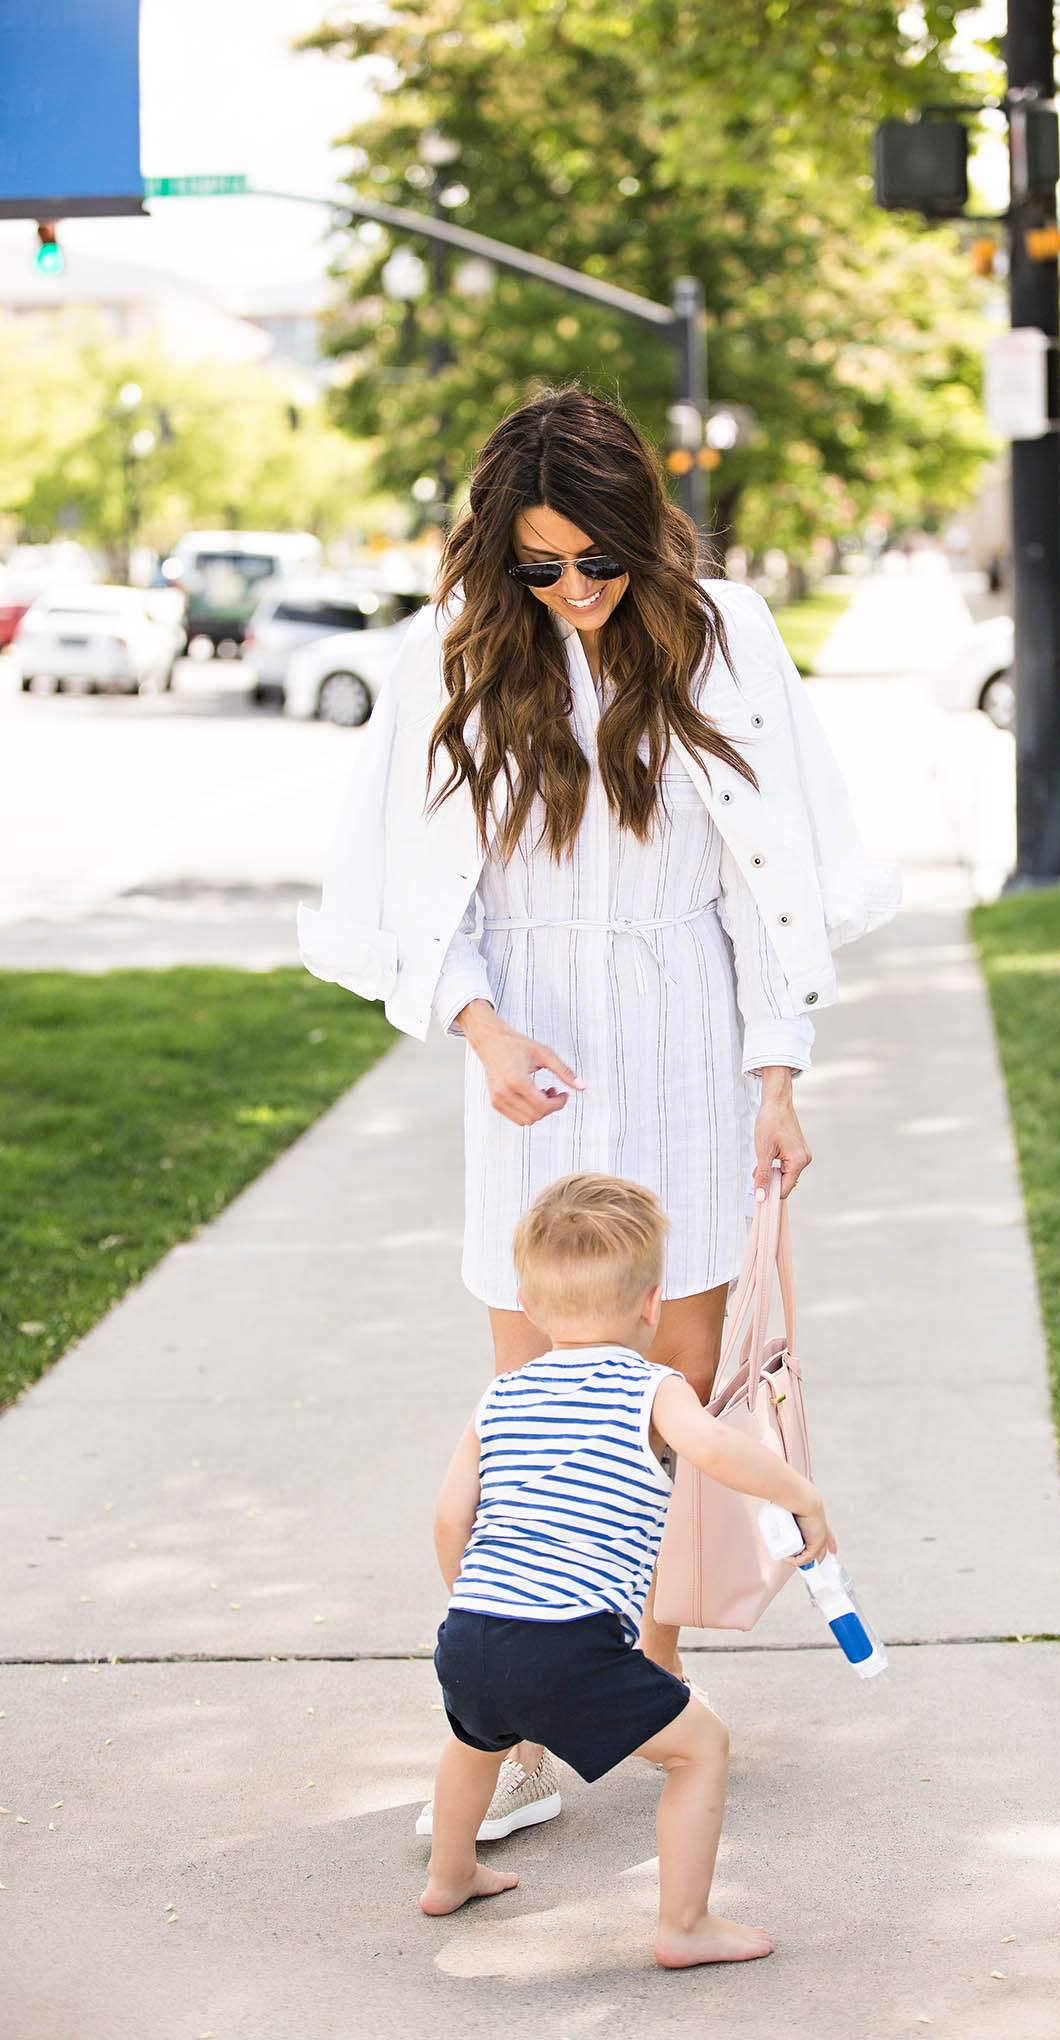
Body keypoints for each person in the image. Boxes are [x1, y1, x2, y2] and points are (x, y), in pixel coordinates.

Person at [298, 385, 896, 1835]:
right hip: (533, 1058)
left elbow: (769, 877)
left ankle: (642, 1689)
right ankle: (504, 1729)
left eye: (596, 561)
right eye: (539, 566)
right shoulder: (443, 653)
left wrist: (776, 1075)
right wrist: (480, 1027)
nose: (570, 591)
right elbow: (409, 884)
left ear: (645, 537)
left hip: (689, 1030)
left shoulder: (724, 632)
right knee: (536, 1407)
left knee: (670, 1396)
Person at [421, 1172, 832, 1968]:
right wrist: (803, 1494)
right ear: (653, 1306)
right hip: (571, 1643)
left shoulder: (500, 1396)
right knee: (699, 1747)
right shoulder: (652, 1387)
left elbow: (449, 1517)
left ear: (529, 1307)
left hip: (472, 1629)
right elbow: (713, 1450)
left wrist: (473, 1602)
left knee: (473, 1741)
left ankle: (449, 1873)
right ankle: (684, 1926)